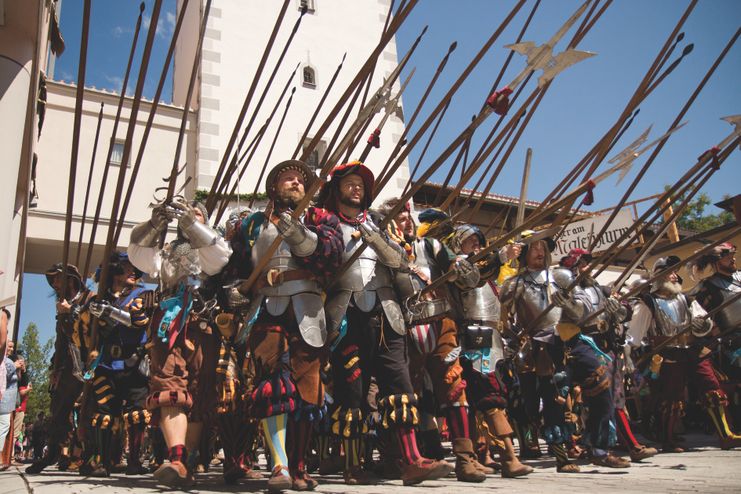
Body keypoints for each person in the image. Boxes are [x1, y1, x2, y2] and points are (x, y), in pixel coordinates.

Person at [316, 161, 452, 486]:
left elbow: (398, 262)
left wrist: (375, 238)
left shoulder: (380, 224)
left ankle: (412, 460)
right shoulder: (326, 226)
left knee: (401, 388)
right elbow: (319, 261)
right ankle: (352, 465)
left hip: (387, 315)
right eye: (349, 183)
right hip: (347, 316)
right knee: (352, 393)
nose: (356, 188)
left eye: (360, 184)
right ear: (337, 190)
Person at [234, 159, 344, 491]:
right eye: (288, 179)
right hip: (266, 306)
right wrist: (234, 290)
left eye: (300, 180)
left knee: (308, 389)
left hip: (308, 306)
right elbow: (236, 265)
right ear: (274, 188)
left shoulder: (321, 218)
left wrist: (299, 235)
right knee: (272, 385)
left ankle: (298, 466)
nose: (295, 183)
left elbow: (331, 253)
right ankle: (279, 464)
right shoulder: (252, 224)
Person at [500, 234, 630, 471]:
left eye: (543, 247)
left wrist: (566, 304)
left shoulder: (563, 276)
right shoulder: (514, 283)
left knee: (602, 387)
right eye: (534, 248)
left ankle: (599, 449)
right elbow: (503, 319)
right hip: (542, 345)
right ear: (524, 253)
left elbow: (582, 311)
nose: (540, 252)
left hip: (573, 339)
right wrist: (516, 340)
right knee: (555, 400)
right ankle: (561, 457)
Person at [383, 201, 491, 483]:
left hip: (441, 324)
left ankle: (465, 460)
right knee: (408, 396)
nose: (406, 221)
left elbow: (460, 270)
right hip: (403, 329)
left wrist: (461, 267)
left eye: (408, 217)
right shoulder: (382, 250)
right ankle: (408, 457)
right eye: (399, 218)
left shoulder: (430, 246)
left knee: (455, 389)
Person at [128, 198, 231, 487]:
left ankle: (190, 460)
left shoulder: (215, 244)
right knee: (167, 383)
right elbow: (138, 254)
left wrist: (191, 222)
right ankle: (176, 456)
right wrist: (155, 222)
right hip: (168, 323)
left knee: (200, 390)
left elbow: (218, 259)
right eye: (186, 213)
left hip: (204, 323)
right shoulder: (166, 251)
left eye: (197, 213)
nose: (190, 216)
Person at [445, 224, 534, 478]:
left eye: (478, 241)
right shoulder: (460, 265)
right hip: (474, 336)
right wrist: (501, 256)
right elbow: (471, 277)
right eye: (470, 241)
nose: (476, 245)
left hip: (492, 336)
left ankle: (479, 456)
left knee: (487, 396)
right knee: (490, 395)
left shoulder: (488, 270)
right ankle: (508, 456)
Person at [627, 255, 741, 451]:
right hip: (669, 353)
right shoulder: (648, 302)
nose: (674, 276)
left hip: (693, 350)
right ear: (658, 277)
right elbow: (634, 334)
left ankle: (726, 435)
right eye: (669, 272)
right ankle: (668, 440)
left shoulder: (686, 298)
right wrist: (629, 355)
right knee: (672, 397)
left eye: (674, 272)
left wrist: (701, 324)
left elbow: (703, 324)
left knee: (712, 387)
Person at [560, 248, 657, 462]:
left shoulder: (601, 289)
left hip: (608, 347)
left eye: (588, 263)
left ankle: (603, 446)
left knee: (612, 398)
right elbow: (575, 315)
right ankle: (597, 447)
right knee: (596, 399)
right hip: (583, 345)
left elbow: (624, 314)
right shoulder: (567, 290)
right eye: (582, 264)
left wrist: (618, 309)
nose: (588, 268)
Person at [82, 252, 155, 476]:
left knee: (137, 413)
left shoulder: (144, 294)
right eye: (126, 266)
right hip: (106, 364)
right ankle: (103, 462)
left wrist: (108, 311)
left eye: (134, 267)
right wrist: (88, 311)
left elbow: (138, 321)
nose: (132, 271)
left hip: (134, 362)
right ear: (114, 270)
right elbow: (85, 332)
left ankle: (134, 461)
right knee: (104, 413)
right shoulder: (98, 298)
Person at [26, 264, 88, 474]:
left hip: (89, 362)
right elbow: (61, 342)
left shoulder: (88, 299)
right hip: (67, 365)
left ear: (71, 280)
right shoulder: (62, 304)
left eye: (58, 279)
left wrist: (71, 313)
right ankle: (53, 453)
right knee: (59, 412)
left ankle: (89, 457)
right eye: (53, 280)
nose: (55, 284)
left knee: (90, 412)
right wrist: (55, 367)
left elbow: (89, 331)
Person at [0, 337, 19, 470]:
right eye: (9, 346)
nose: (11, 349)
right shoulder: (6, 361)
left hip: (6, 400)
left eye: (12, 347)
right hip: (4, 399)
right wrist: (14, 366)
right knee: (3, 426)